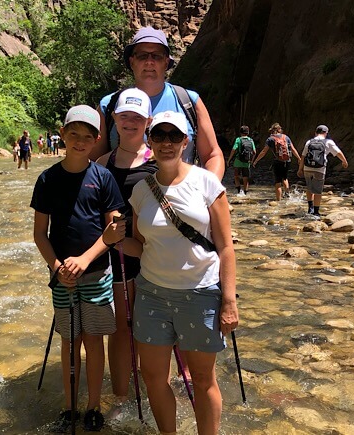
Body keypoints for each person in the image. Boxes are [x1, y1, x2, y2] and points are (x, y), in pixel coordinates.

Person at [111, 111, 238, 434]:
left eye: (174, 136)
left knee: (203, 379)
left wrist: (229, 301)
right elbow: (142, 247)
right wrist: (114, 241)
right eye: (159, 135)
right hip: (152, 295)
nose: (166, 142)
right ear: (149, 141)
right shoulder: (141, 192)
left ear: (185, 141)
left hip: (200, 294)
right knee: (153, 376)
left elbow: (225, 247)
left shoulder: (207, 183)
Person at [31, 105, 126, 432]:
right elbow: (39, 234)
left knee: (94, 339)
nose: (80, 141)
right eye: (74, 134)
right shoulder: (47, 179)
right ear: (63, 134)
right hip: (62, 278)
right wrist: (57, 267)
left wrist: (83, 261)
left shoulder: (103, 178)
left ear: (97, 139)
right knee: (70, 341)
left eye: (88, 136)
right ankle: (69, 407)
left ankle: (93, 406)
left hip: (98, 272)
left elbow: (113, 232)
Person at [95, 88, 158, 411]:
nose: (130, 122)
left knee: (152, 327)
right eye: (124, 116)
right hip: (117, 257)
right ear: (114, 120)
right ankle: (121, 397)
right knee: (121, 327)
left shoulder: (160, 163)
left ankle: (154, 392)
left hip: (152, 259)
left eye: (137, 117)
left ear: (148, 121)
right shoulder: (101, 164)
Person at [93, 26, 225, 180]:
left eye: (156, 56)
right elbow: (93, 161)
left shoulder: (188, 101)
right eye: (142, 56)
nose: (149, 62)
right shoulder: (108, 105)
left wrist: (209, 194)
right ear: (132, 61)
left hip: (179, 200)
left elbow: (212, 155)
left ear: (166, 62)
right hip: (120, 200)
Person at [297, 125, 349, 217]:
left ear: (315, 132)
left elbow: (303, 156)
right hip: (319, 169)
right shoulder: (328, 142)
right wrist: (344, 161)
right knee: (317, 190)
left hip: (307, 168)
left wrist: (300, 169)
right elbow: (338, 152)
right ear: (326, 133)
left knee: (309, 188)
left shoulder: (309, 142)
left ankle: (310, 208)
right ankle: (316, 212)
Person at [252, 122, 301, 201]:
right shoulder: (286, 137)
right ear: (279, 129)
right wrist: (299, 158)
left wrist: (256, 161)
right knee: (285, 178)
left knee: (278, 181)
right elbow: (293, 149)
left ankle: (279, 201)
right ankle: (287, 195)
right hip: (287, 160)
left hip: (277, 161)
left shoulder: (270, 139)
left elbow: (264, 152)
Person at [226, 125, 255, 196]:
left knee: (236, 176)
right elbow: (254, 151)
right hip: (247, 162)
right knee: (246, 177)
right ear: (248, 132)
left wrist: (229, 160)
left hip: (238, 161)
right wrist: (251, 160)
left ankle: (239, 191)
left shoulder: (238, 139)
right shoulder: (251, 140)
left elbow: (233, 149)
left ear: (240, 132)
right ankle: (245, 193)